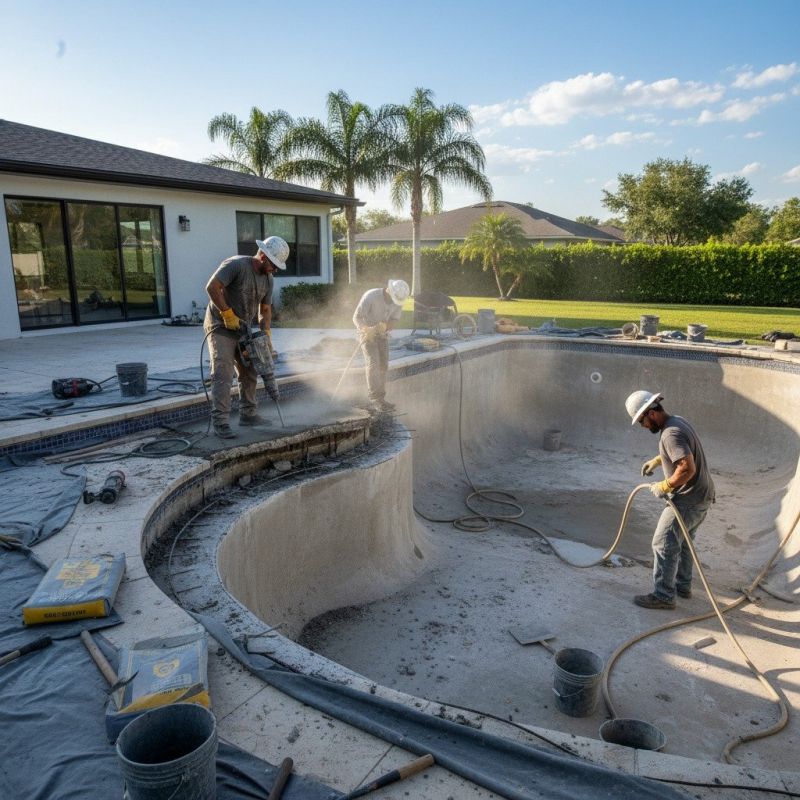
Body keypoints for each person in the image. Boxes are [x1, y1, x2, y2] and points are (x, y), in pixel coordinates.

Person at [625, 390, 715, 609]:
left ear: (651, 413)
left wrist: (665, 485)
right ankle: (682, 586)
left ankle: (664, 596)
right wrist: (659, 460)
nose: (643, 426)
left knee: (663, 543)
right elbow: (685, 451)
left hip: (688, 499)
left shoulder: (669, 434)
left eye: (642, 421)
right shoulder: (677, 422)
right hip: (703, 495)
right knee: (683, 542)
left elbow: (687, 468)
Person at [204, 237, 289, 439]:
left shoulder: (268, 279)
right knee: (223, 372)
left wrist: (266, 336)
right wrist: (227, 313)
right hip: (220, 326)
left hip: (244, 329)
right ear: (262, 256)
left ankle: (248, 414)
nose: (274, 270)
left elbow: (265, 309)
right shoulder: (236, 265)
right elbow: (212, 287)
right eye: (272, 265)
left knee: (250, 370)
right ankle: (221, 422)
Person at [352, 279, 410, 413]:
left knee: (383, 365)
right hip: (366, 334)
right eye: (393, 299)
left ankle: (381, 399)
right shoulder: (371, 296)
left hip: (382, 334)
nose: (394, 303)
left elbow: (395, 319)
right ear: (388, 290)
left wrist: (385, 326)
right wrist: (366, 329)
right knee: (374, 363)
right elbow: (356, 317)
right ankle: (374, 399)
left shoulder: (398, 299)